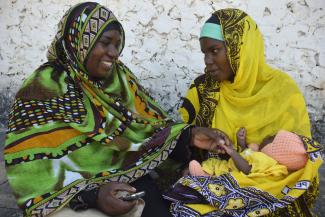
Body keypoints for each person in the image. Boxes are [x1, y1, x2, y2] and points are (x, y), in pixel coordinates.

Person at [3, 2, 227, 217]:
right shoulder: (42, 88)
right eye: (106, 42)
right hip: (70, 197)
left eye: (117, 44)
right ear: (80, 41)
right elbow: (31, 171)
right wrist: (93, 196)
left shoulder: (118, 78)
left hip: (126, 173)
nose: (114, 52)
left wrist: (188, 135)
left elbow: (145, 126)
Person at [169, 8, 323, 217]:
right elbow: (186, 146)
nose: (207, 61)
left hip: (271, 187)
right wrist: (194, 139)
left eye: (215, 51)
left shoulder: (283, 90)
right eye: (204, 53)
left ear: (239, 46)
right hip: (216, 181)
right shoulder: (204, 89)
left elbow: (299, 158)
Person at [189, 128, 308, 177]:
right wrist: (241, 141)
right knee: (212, 163)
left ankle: (204, 177)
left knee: (213, 166)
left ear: (274, 149)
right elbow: (246, 155)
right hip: (229, 165)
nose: (267, 136)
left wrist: (232, 152)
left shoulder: (266, 160)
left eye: (271, 137)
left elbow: (247, 168)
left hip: (229, 171)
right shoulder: (258, 153)